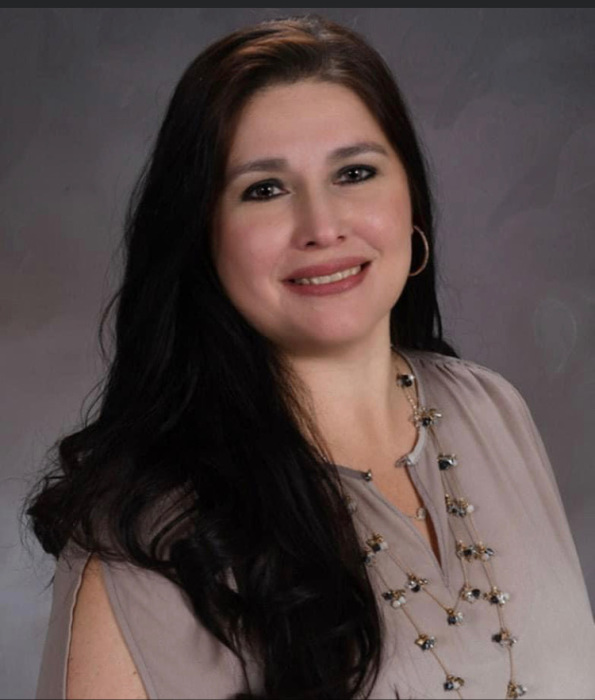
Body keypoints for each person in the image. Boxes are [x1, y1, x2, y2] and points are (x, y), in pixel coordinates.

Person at [28, 14, 595, 700]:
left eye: (355, 173)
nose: (322, 227)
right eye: (264, 189)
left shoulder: (492, 409)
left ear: (411, 203)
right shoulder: (148, 538)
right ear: (201, 237)